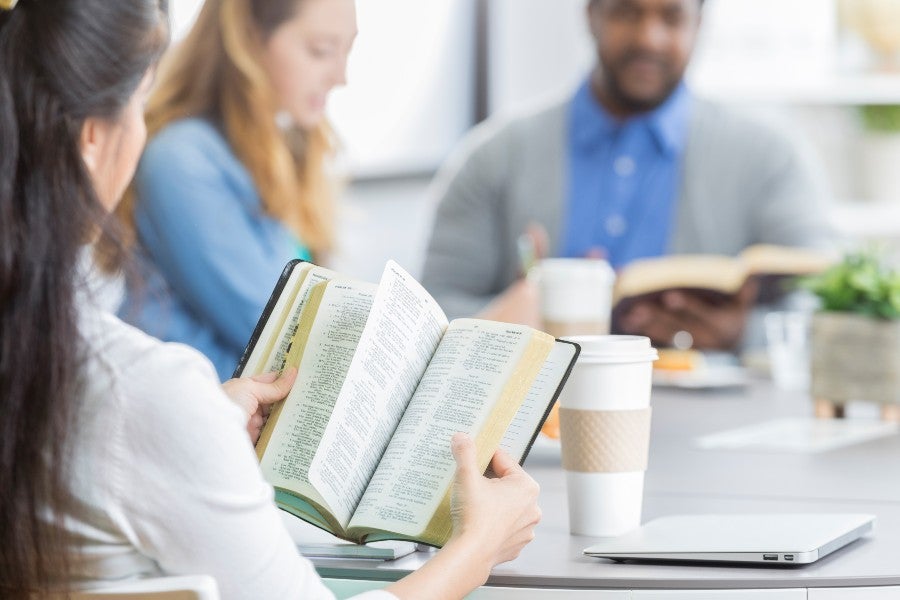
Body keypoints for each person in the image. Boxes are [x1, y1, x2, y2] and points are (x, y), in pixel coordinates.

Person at [0, 2, 541, 599]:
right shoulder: (137, 385)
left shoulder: (87, 374)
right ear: (94, 139)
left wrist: (200, 417)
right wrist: (477, 548)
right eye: (138, 102)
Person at [421, 0, 833, 351]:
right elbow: (431, 312)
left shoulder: (770, 157)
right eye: (626, 12)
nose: (648, 38)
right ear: (591, 14)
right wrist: (517, 321)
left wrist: (742, 334)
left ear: (699, 25)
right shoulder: (493, 157)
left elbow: (832, 308)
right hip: (536, 434)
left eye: (671, 17)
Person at [117, 0, 352, 380]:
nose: (341, 75)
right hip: (192, 416)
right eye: (321, 50)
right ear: (251, 42)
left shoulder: (276, 149)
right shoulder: (180, 159)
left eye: (348, 49)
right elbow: (280, 332)